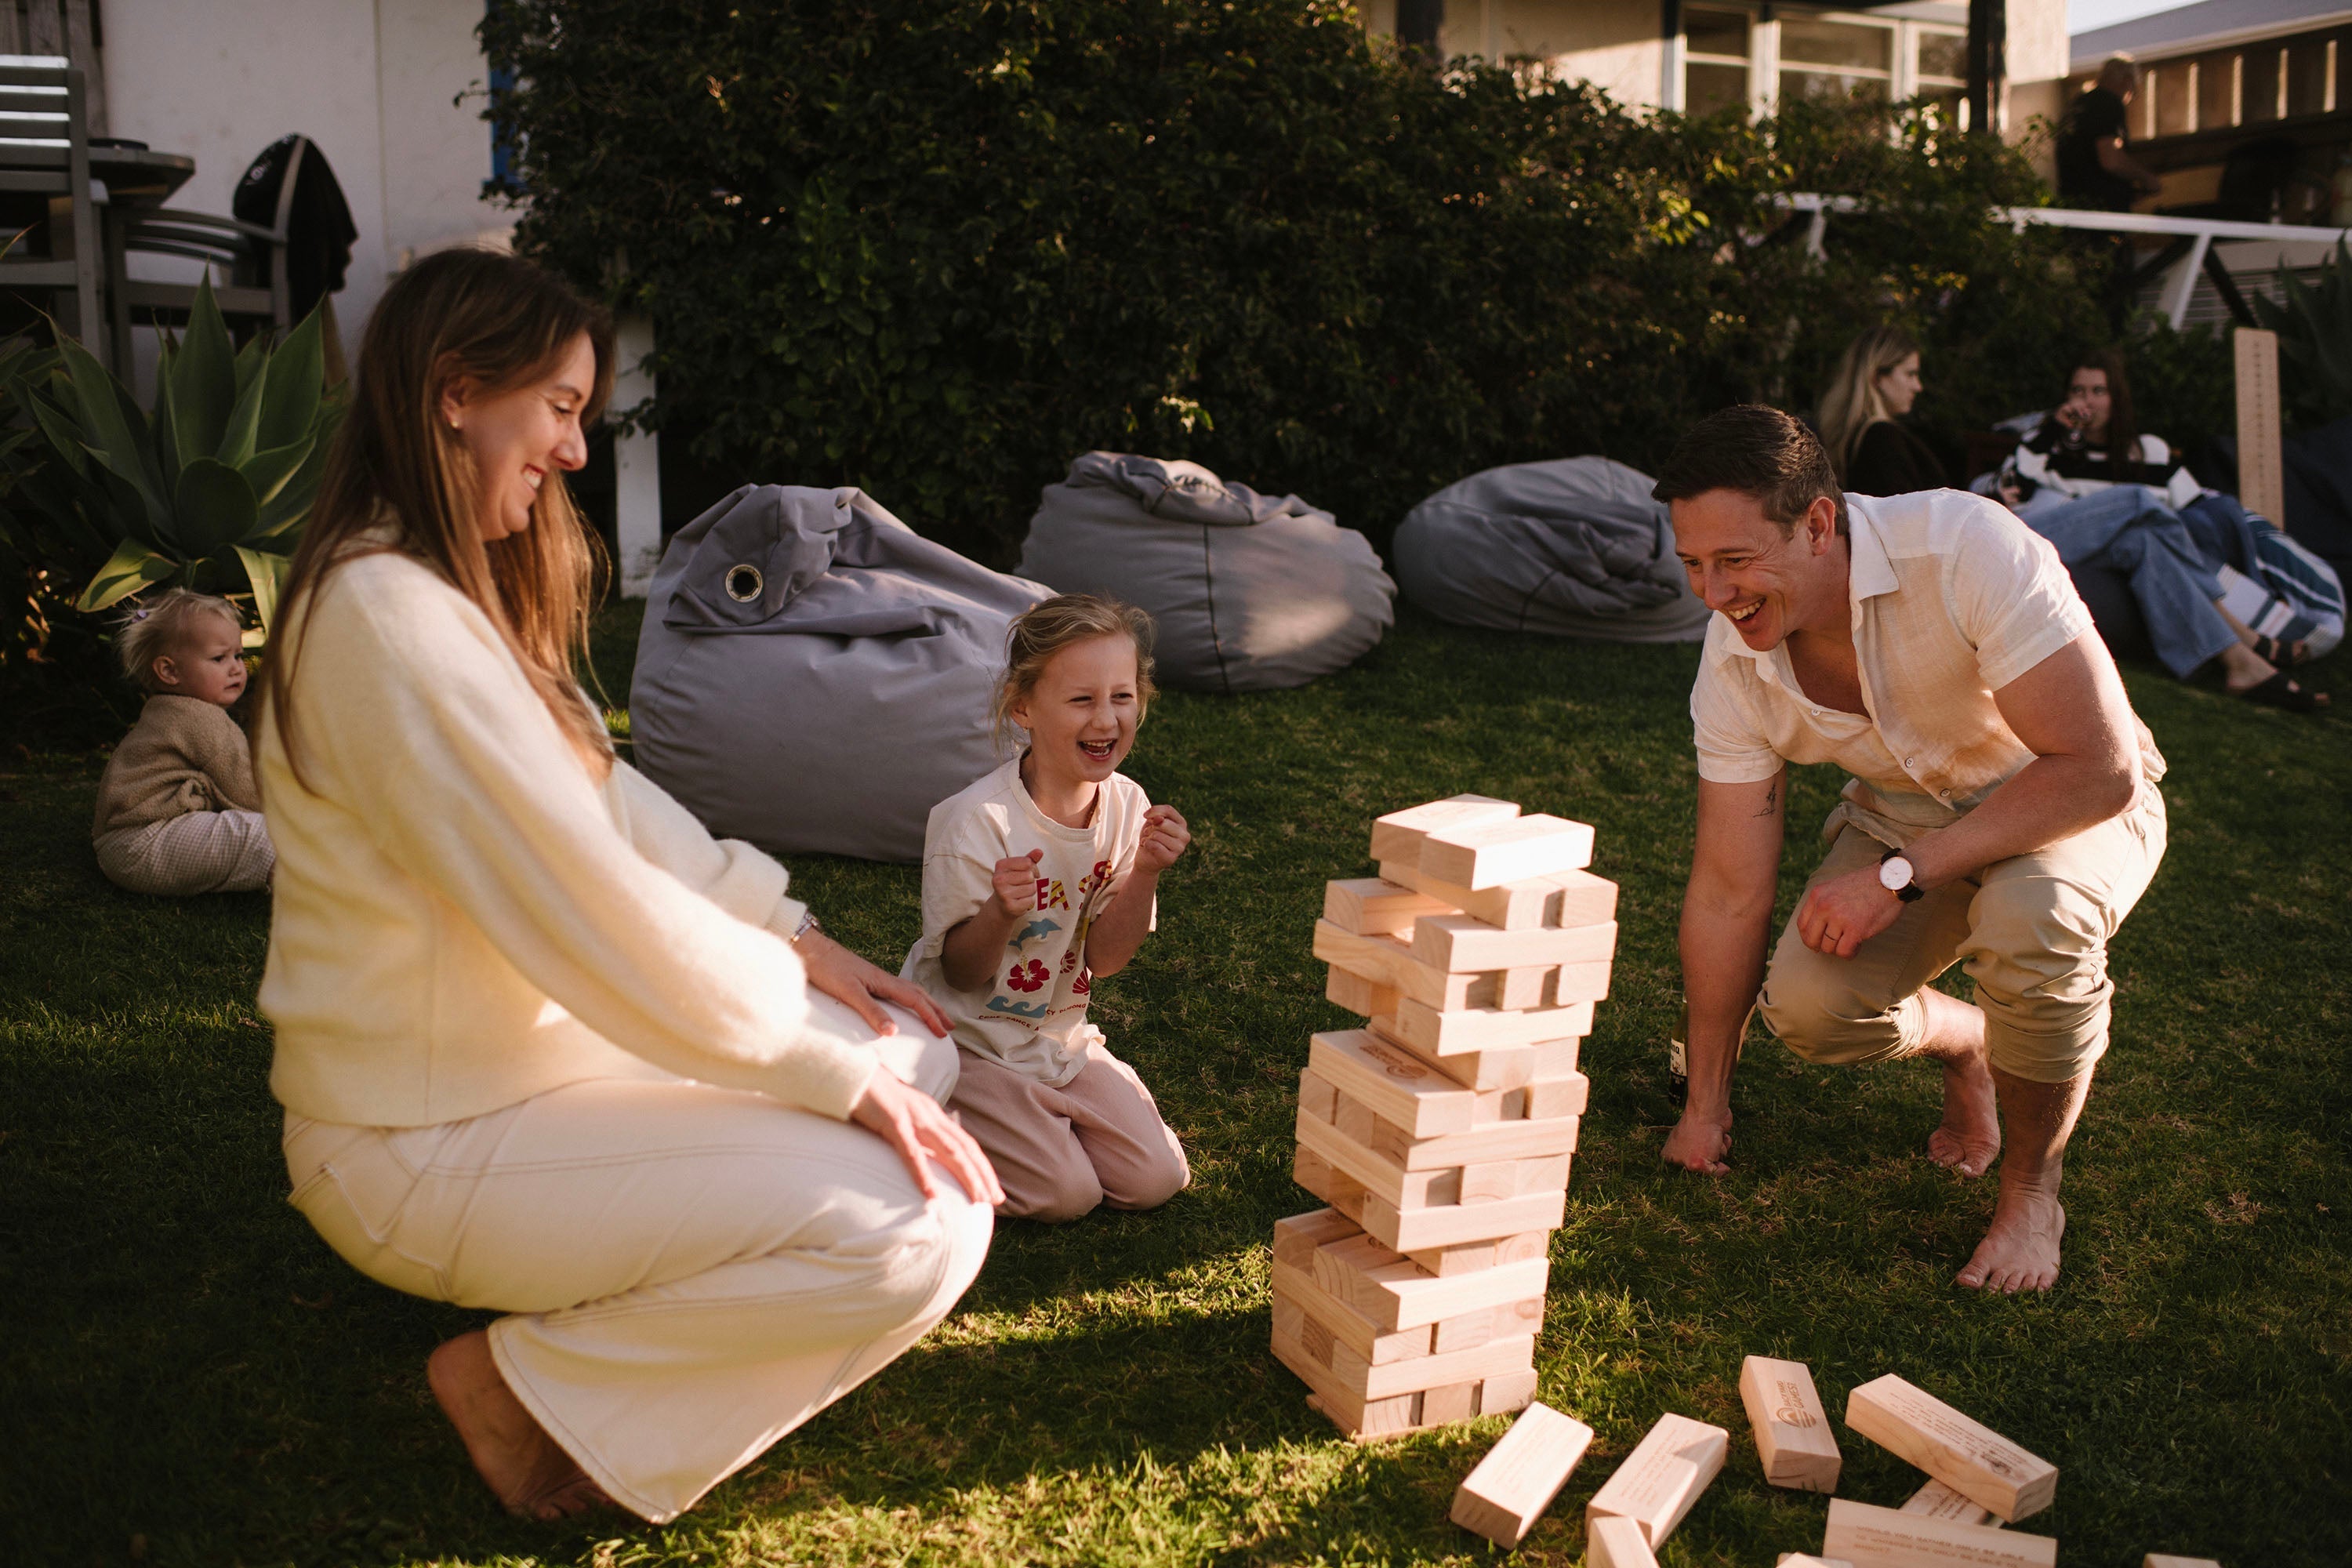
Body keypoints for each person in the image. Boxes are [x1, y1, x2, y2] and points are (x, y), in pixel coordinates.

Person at [252, 247, 1004, 1526]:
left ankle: (625, 1281)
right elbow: (589, 902)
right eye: (557, 409)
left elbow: (599, 795)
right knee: (917, 1226)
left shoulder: (423, 592)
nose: (575, 452)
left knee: (911, 1052)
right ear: (454, 392)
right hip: (417, 1145)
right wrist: (821, 1073)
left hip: (510, 1077)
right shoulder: (387, 622)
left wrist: (791, 934)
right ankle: (523, 1393)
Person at [1658, 405, 2169, 1294]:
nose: (1713, 593)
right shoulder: (1732, 663)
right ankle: (1968, 1040)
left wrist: (1899, 875)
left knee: (2031, 918)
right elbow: (1726, 889)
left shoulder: (1966, 544)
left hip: (2060, 792)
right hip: (1900, 813)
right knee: (1811, 1011)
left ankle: (2030, 1194)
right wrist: (1707, 1105)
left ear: (1818, 523)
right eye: (1693, 563)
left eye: (1735, 560)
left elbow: (2099, 767)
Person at [904, 593, 1193, 1222]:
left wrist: (1144, 872)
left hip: (1059, 1040)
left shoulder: (1126, 806)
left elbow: (1107, 960)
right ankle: (926, 1113)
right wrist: (999, 916)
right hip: (968, 1045)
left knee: (1155, 1178)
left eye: (1122, 697)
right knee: (1067, 1196)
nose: (1107, 719)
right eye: (1082, 700)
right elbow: (958, 975)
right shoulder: (975, 821)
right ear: (1024, 707)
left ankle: (1039, 1119)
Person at [1998, 350, 2328, 711]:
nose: (2085, 401)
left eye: (2098, 391)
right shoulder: (2048, 443)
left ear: (2117, 398)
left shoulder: (2150, 451)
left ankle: (2239, 663)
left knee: (2141, 537)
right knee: (2137, 503)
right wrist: (2052, 430)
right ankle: (2239, 628)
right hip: (2039, 543)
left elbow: (2195, 508)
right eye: (2078, 391)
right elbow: (2016, 494)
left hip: (2111, 558)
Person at [91, 588, 275, 895]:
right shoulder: (199, 719)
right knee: (268, 836)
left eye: (238, 655)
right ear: (169, 671)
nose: (236, 668)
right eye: (219, 658)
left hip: (127, 844)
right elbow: (245, 789)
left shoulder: (170, 709)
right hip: (143, 842)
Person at [1816, 326, 1944, 498]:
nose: (1917, 387)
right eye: (1910, 374)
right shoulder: (1881, 438)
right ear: (1877, 377)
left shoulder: (1857, 436)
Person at [2056, 58, 2163, 213]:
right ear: (2127, 81)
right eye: (2134, 90)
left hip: (2073, 206)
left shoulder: (2078, 104)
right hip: (2101, 211)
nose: (2132, 96)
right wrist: (2146, 178)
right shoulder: (2108, 103)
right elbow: (2110, 160)